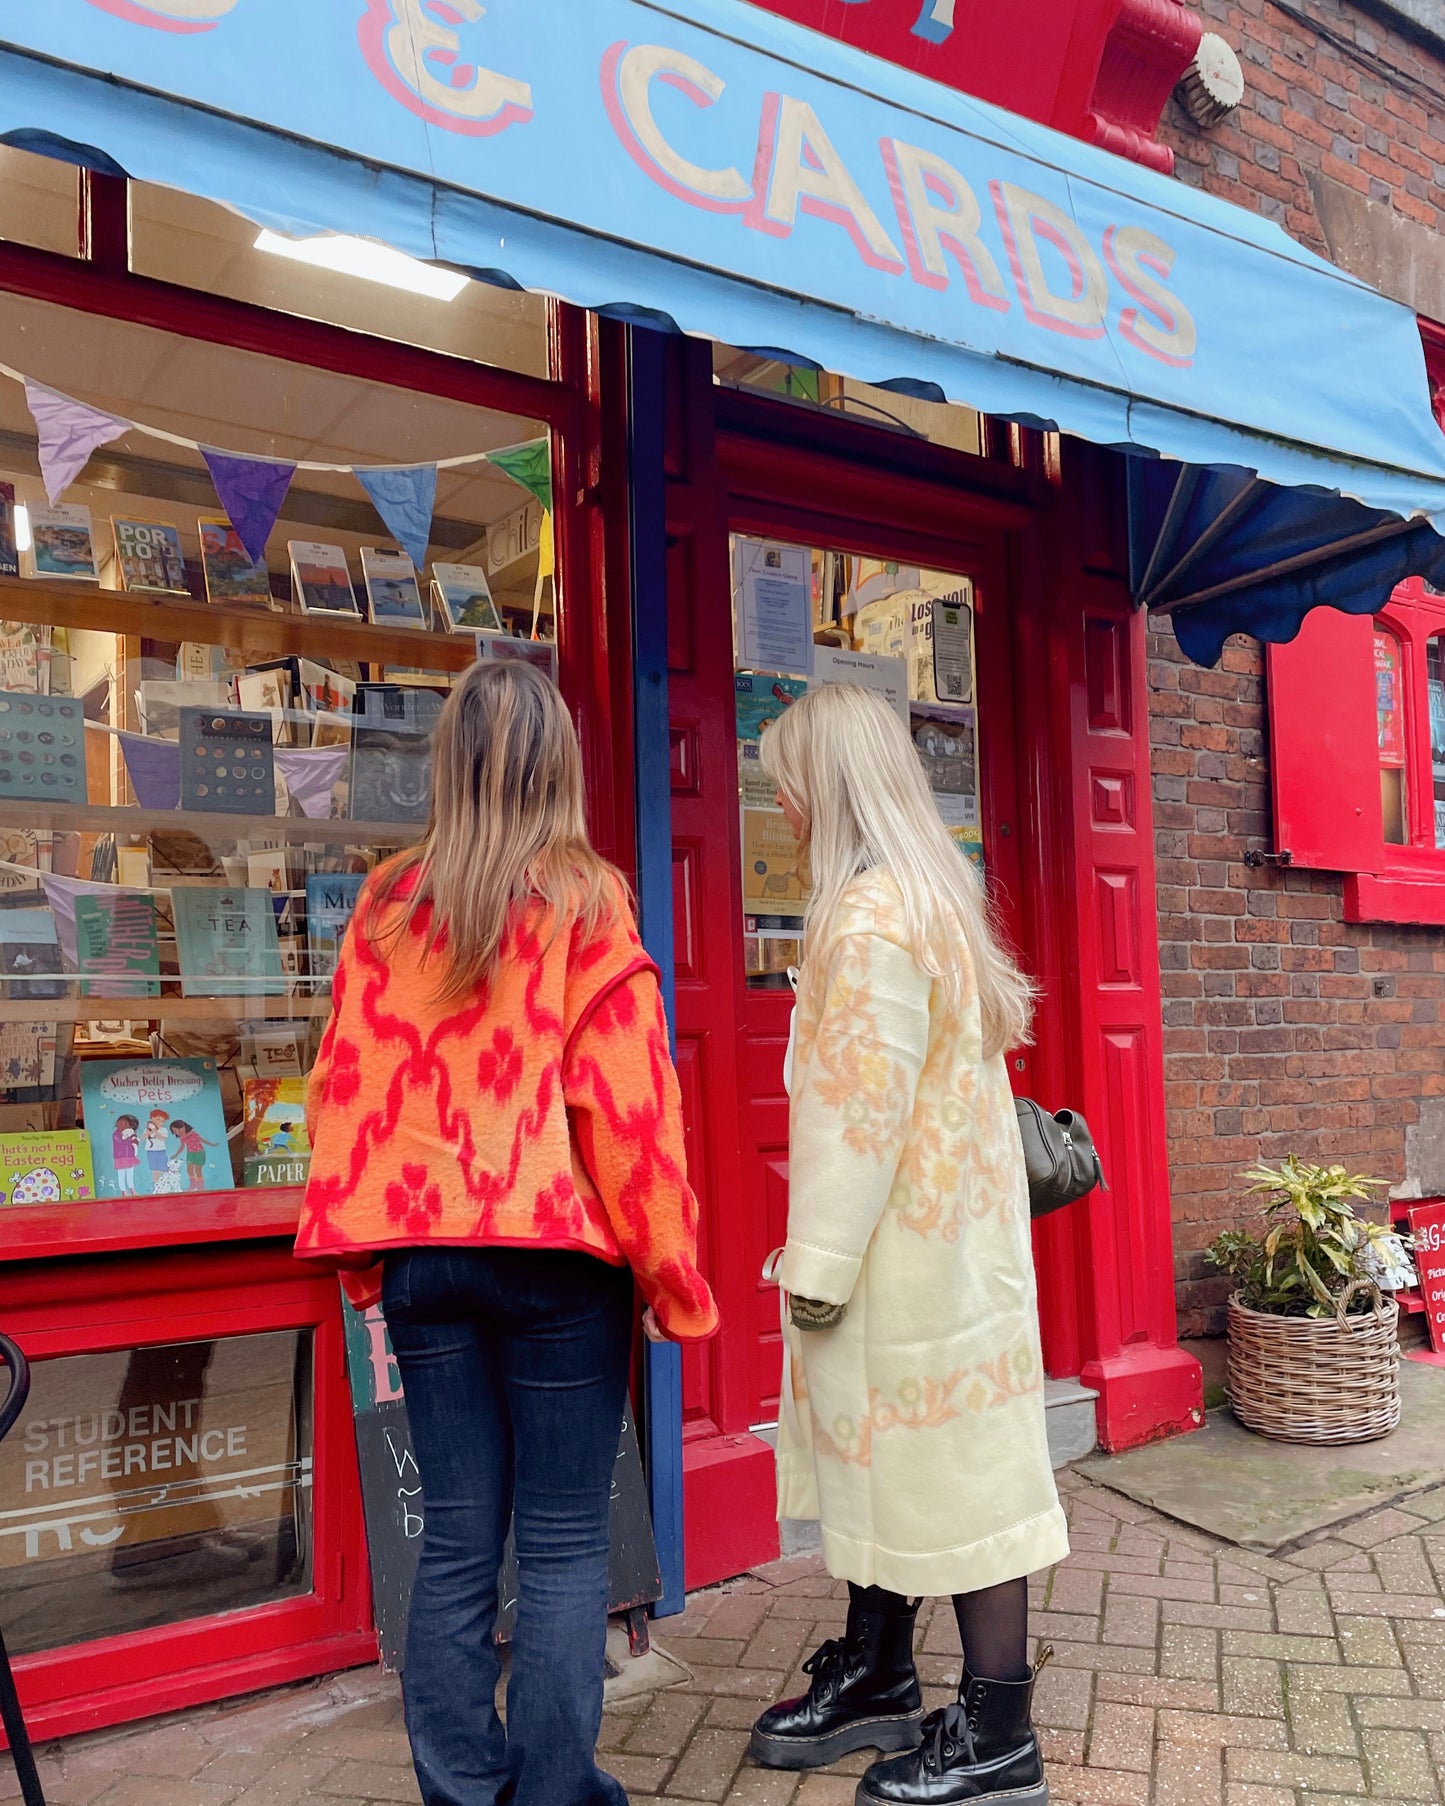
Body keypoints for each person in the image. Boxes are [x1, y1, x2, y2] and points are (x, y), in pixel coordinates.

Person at [295, 660, 718, 1806]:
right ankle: (552, 1793)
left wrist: (361, 1259)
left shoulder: (387, 904)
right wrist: (672, 1281)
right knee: (566, 1542)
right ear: (557, 767)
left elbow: (341, 1090)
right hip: (553, 1258)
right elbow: (629, 1112)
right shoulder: (587, 900)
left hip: (426, 1255)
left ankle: (463, 1793)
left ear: (449, 765)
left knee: (454, 1544)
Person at [748, 684, 1068, 1806]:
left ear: (824, 788)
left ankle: (996, 1735)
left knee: (958, 1489)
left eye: (786, 781)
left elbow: (855, 1119)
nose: (780, 804)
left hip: (900, 1262)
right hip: (954, 1249)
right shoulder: (929, 898)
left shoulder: (865, 919)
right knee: (924, 1470)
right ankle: (880, 1670)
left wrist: (815, 1269)